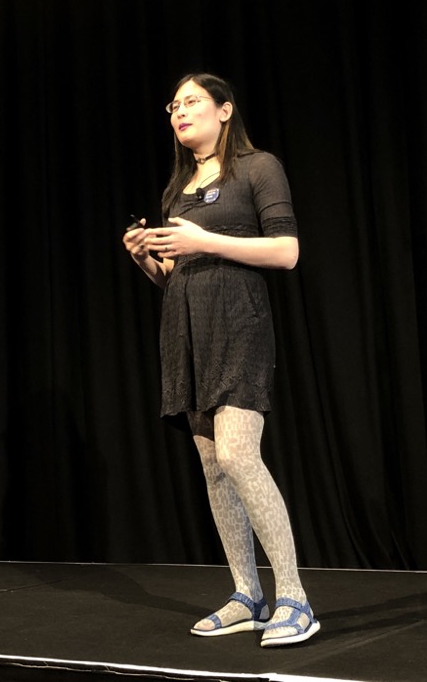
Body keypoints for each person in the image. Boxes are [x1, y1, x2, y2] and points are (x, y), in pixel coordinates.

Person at [122, 73, 319, 647]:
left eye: (191, 102)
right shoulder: (177, 190)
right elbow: (174, 276)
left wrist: (204, 241)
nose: (179, 112)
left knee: (237, 453)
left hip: (239, 326)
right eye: (173, 105)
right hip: (187, 333)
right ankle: (247, 595)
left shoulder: (258, 167)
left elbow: (286, 251)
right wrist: (144, 257)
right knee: (213, 466)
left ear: (224, 110)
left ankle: (295, 598)